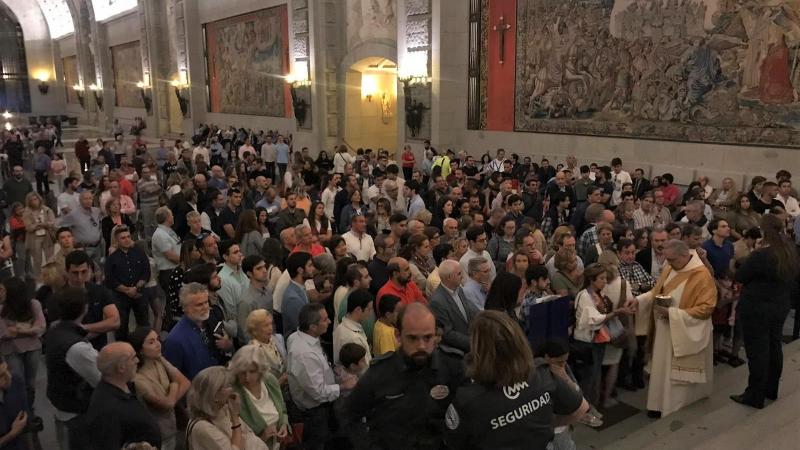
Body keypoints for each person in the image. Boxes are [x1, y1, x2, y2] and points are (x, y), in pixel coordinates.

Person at [445, 311, 589, 449]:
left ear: (478, 349)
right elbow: (580, 408)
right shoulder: (541, 374)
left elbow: (454, 442)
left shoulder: (467, 399)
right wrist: (548, 425)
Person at [347, 303, 464, 449]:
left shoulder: (452, 367)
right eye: (412, 338)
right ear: (398, 335)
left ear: (436, 336)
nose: (421, 345)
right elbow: (350, 415)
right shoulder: (380, 373)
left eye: (427, 337)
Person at [628, 239, 717, 418]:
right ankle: (657, 403)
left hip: (684, 330)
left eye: (672, 260)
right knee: (661, 367)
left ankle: (675, 405)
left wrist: (674, 314)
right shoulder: (671, 267)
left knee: (674, 374)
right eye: (667, 260)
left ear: (685, 255)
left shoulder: (701, 275)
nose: (668, 264)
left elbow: (707, 307)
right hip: (665, 328)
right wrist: (638, 300)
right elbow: (656, 291)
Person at [731, 214, 800, 409]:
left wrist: (750, 255)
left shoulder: (762, 254)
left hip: (757, 306)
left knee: (757, 351)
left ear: (764, 231)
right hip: (780, 304)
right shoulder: (788, 249)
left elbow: (741, 276)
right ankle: (771, 389)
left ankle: (754, 394)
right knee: (774, 346)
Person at [287, 303, 356, 450]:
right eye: (325, 320)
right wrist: (343, 386)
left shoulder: (299, 336)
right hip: (316, 414)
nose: (330, 321)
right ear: (312, 327)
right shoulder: (305, 354)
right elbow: (317, 392)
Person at [44, 287, 101, 450]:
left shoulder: (55, 331)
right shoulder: (77, 347)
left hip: (62, 404)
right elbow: (101, 379)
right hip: (78, 411)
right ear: (85, 308)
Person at [83, 342, 162, 449]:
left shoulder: (124, 385)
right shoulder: (106, 409)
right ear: (121, 368)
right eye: (133, 358)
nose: (137, 360)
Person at [129, 327, 190, 450]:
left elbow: (186, 383)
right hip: (155, 435)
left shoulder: (160, 361)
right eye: (151, 342)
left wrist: (171, 400)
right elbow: (166, 405)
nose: (158, 344)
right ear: (140, 350)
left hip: (172, 428)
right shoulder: (138, 379)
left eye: (157, 339)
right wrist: (174, 386)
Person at [185, 366, 268, 450]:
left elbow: (248, 434)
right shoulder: (203, 427)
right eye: (227, 386)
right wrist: (235, 418)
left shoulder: (224, 409)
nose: (232, 389)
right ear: (214, 395)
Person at [163, 283, 230, 379]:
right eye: (199, 305)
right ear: (185, 308)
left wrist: (227, 345)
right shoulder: (175, 340)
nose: (205, 307)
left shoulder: (212, 320)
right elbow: (173, 378)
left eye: (206, 302)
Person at [229, 345, 289, 449]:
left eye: (252, 371)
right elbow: (235, 436)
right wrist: (261, 438)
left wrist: (284, 424)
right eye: (242, 373)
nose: (247, 377)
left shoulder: (270, 381)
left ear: (260, 370)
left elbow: (282, 409)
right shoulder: (233, 394)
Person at [0, 277, 46, 412]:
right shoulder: (2, 309)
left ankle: (29, 410)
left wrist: (18, 330)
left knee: (31, 383)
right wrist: (29, 330)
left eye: (3, 289)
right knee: (16, 381)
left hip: (33, 348)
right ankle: (19, 411)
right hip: (10, 350)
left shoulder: (34, 304)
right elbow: (4, 334)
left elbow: (41, 328)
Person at [65, 250, 120, 350]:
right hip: (69, 350)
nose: (80, 278)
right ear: (67, 271)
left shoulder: (99, 291)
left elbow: (115, 321)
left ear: (90, 269)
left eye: (84, 272)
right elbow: (63, 330)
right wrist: (101, 328)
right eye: (75, 273)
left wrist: (85, 328)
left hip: (97, 349)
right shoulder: (59, 295)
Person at [105, 225, 151, 341]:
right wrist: (126, 290)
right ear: (117, 241)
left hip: (139, 293)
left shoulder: (139, 252)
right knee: (122, 326)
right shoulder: (112, 258)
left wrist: (136, 288)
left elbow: (146, 272)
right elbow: (110, 279)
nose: (127, 239)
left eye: (128, 237)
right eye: (123, 238)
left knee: (144, 323)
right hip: (121, 296)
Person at [429, 260, 479, 354]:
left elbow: (469, 310)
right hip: (457, 352)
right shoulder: (437, 302)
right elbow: (447, 334)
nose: (463, 276)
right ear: (449, 277)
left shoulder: (458, 288)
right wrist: (474, 343)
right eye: (459, 274)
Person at [333, 288, 373, 367]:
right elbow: (363, 368)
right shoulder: (353, 338)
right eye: (369, 309)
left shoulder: (341, 327)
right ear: (358, 309)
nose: (371, 313)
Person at [245, 309, 287, 383]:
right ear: (255, 329)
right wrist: (279, 382)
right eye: (266, 325)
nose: (270, 328)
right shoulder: (251, 352)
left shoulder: (278, 338)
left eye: (271, 324)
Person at [22, 192, 56, 280]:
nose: (34, 202)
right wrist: (43, 224)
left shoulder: (47, 209)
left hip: (47, 236)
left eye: (35, 199)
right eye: (31, 200)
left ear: (39, 199)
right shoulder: (26, 212)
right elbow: (29, 227)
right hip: (35, 238)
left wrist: (38, 224)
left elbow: (52, 223)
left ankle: (51, 278)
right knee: (37, 261)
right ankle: (38, 280)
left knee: (50, 259)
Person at [281, 252, 316, 336]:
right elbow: (302, 327)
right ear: (300, 270)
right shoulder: (292, 298)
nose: (313, 268)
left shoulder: (301, 288)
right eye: (310, 265)